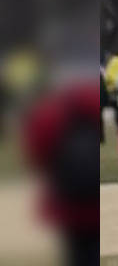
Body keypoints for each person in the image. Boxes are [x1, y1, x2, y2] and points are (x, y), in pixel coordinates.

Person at [23, 76, 102, 266]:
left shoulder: (50, 111)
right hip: (94, 197)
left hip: (68, 199)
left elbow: (37, 155)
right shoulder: (94, 103)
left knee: (76, 252)